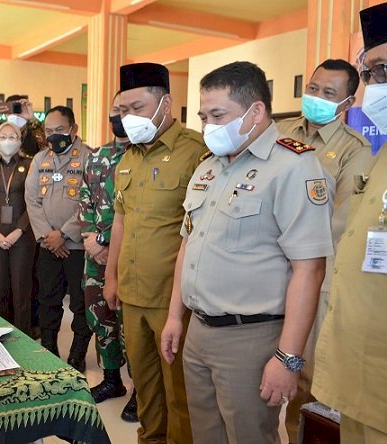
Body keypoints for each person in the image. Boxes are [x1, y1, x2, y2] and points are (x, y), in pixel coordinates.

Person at [160, 61, 333, 444]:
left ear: (256, 111)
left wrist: (288, 358)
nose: (208, 126)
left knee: (249, 436)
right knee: (205, 435)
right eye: (204, 116)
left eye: (218, 115)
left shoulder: (293, 166)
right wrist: (176, 316)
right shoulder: (209, 168)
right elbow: (188, 244)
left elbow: (310, 270)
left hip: (251, 338)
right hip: (199, 331)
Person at [103, 62, 205, 444]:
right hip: (131, 294)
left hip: (172, 298)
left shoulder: (196, 152)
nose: (128, 117)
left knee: (178, 392)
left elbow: (198, 231)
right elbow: (120, 222)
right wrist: (112, 277)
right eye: (122, 110)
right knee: (144, 385)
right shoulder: (128, 158)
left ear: (166, 104)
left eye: (137, 107)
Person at [276, 58, 375, 443]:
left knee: (303, 380)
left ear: (347, 102)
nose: (316, 97)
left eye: (328, 93)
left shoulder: (354, 151)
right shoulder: (278, 133)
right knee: (258, 378)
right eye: (313, 88)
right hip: (268, 274)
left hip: (314, 280)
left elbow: (341, 226)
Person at [313, 4, 387, 442]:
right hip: (361, 372)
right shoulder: (381, 160)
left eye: (382, 70)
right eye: (373, 73)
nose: (375, 87)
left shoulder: (358, 150)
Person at [79, 91, 136, 422]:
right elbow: (84, 199)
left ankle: (141, 391)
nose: (118, 116)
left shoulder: (142, 156)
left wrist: (105, 241)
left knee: (132, 326)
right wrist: (91, 240)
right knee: (100, 318)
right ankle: (112, 379)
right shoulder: (97, 156)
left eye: (125, 110)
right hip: (94, 256)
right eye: (115, 110)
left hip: (128, 255)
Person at [25, 105, 92, 372]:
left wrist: (64, 234)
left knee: (80, 302)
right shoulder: (40, 159)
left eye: (60, 130)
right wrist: (48, 236)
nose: (54, 136)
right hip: (48, 247)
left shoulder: (89, 157)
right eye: (49, 131)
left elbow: (90, 202)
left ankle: (78, 352)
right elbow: (32, 200)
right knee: (48, 299)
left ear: (74, 129)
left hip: (77, 247)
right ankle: (49, 348)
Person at [0, 121, 35, 334]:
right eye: (3, 136)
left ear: (20, 140)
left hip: (22, 237)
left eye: (12, 136)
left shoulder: (29, 165)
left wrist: (18, 230)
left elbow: (33, 202)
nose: (8, 141)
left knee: (21, 290)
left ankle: (23, 336)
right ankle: (0, 334)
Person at [0, 95, 48, 159]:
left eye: (18, 109)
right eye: (11, 109)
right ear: (5, 113)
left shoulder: (34, 133)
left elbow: (48, 150)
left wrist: (33, 119)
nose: (15, 114)